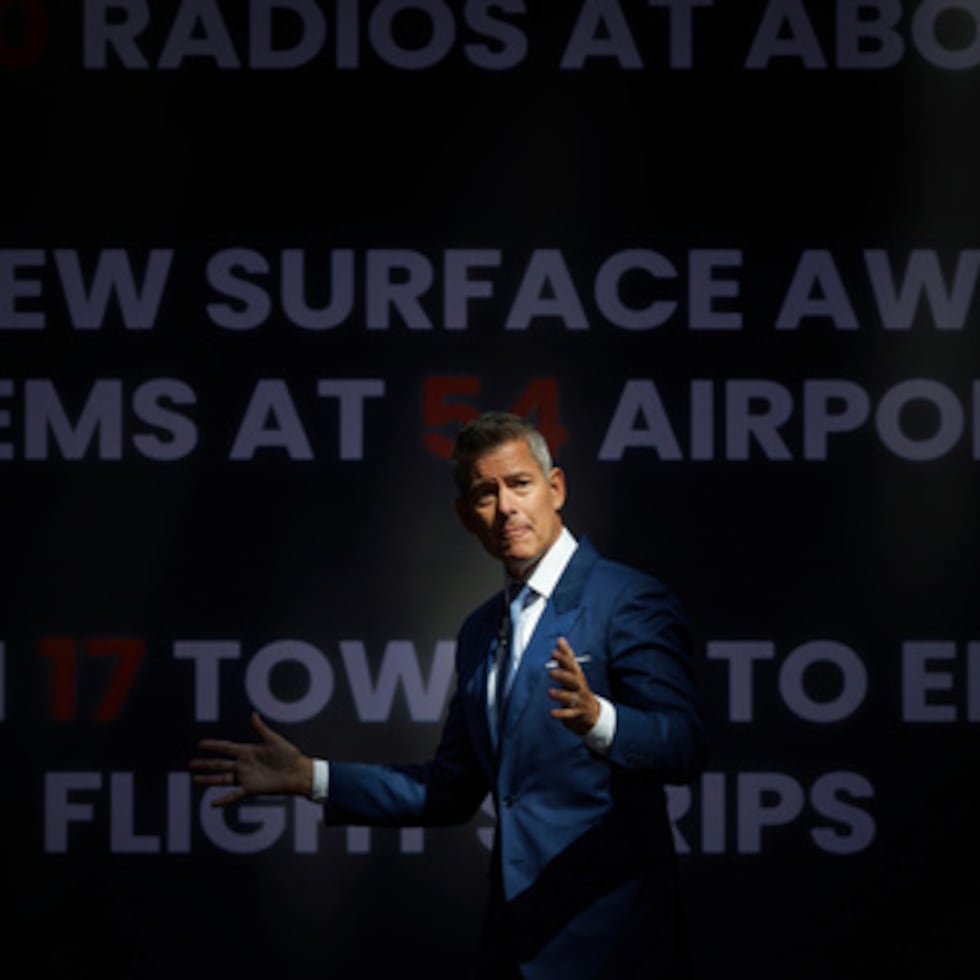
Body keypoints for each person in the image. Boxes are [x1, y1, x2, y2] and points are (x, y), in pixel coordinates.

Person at [191, 411, 707, 978]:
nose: (507, 507)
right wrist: (310, 776)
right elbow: (450, 789)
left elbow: (684, 745)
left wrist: (600, 721)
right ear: (467, 517)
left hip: (613, 945)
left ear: (555, 488)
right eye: (486, 493)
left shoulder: (626, 599)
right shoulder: (481, 631)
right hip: (513, 945)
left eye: (520, 484)